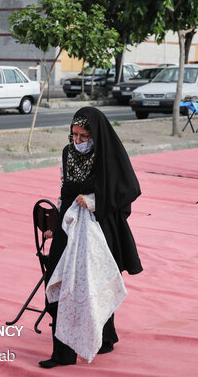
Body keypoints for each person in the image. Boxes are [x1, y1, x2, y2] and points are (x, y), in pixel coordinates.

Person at [40, 107, 143, 369]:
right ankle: (62, 353)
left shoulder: (107, 155)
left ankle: (105, 337)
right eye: (73, 135)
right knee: (61, 281)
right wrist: (54, 222)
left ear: (95, 135)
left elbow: (127, 190)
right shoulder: (67, 153)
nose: (77, 142)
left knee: (95, 284)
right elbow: (64, 189)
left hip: (101, 226)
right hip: (69, 225)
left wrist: (94, 201)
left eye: (84, 136)